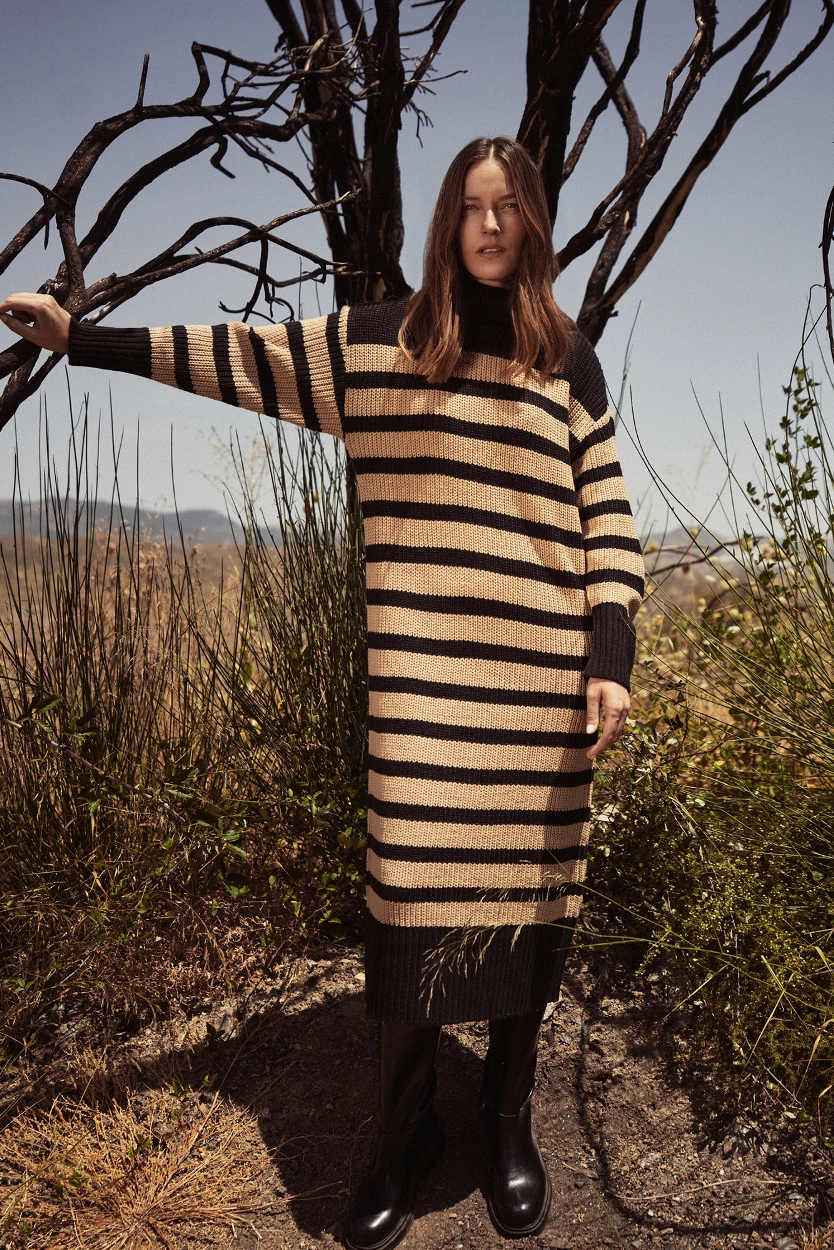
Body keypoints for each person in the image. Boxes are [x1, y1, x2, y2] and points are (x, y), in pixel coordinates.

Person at [1, 135, 644, 1249]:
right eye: (473, 207)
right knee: (411, 897)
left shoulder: (569, 362)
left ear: (534, 222)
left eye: (510, 207)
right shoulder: (387, 341)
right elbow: (236, 355)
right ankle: (404, 1132)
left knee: (533, 902)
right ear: (449, 222)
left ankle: (506, 1118)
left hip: (540, 690)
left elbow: (611, 523)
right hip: (422, 683)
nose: (491, 225)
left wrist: (611, 656)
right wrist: (82, 339)